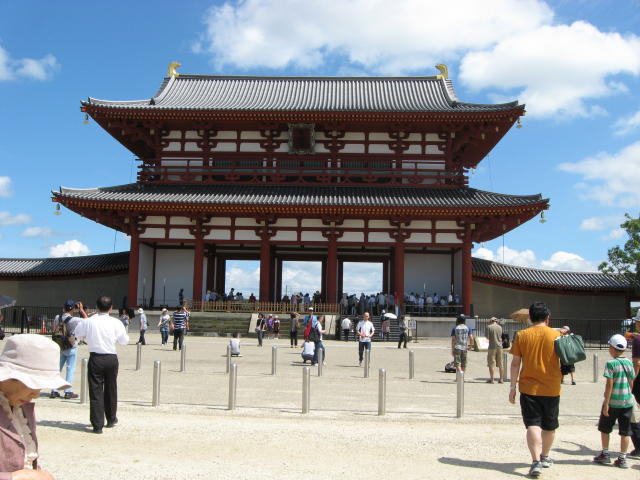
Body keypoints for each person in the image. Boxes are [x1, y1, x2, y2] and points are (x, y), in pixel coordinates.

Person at [508, 302, 569, 478]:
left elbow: (515, 363)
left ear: (530, 318)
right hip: (552, 387)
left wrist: (512, 386)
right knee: (550, 425)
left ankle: (535, 461)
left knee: (533, 424)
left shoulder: (522, 335)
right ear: (548, 318)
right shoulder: (556, 335)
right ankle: (545, 456)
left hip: (528, 387)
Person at [0, 334, 70, 479]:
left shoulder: (22, 406)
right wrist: (15, 477)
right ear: (10, 378)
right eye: (34, 385)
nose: (36, 394)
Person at [73, 295, 129, 434]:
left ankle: (97, 425)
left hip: (96, 357)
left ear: (97, 307)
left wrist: (86, 338)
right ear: (111, 308)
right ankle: (111, 418)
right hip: (111, 357)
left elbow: (77, 334)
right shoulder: (116, 322)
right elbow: (124, 341)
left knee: (96, 391)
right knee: (111, 388)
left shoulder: (88, 321)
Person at [593, 334, 635, 469]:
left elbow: (609, 385)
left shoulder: (611, 364)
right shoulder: (629, 363)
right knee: (625, 431)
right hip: (627, 402)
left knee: (605, 428)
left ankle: (605, 454)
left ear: (612, 348)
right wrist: (632, 396)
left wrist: (606, 403)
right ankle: (622, 458)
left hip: (613, 402)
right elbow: (632, 382)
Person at [50, 299, 88, 400]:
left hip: (60, 346)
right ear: (73, 309)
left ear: (63, 308)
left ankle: (54, 390)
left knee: (57, 369)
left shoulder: (57, 317)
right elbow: (87, 320)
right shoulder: (74, 320)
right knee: (70, 369)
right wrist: (81, 310)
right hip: (71, 346)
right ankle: (68, 391)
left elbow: (54, 329)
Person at [486, 317, 504, 384]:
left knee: (491, 363)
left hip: (492, 346)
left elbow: (487, 337)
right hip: (500, 346)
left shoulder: (489, 327)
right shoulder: (500, 327)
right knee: (500, 363)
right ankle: (501, 379)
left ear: (491, 321)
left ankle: (492, 379)